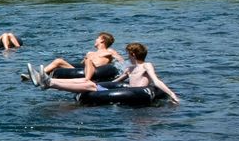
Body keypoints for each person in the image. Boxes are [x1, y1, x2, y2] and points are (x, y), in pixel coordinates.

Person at [30, 43, 179, 104]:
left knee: (89, 84)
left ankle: (49, 83)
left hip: (136, 93)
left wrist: (171, 94)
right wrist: (100, 85)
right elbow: (115, 83)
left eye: (128, 53)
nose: (127, 56)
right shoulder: (129, 69)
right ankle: (46, 81)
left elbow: (156, 81)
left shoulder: (146, 65)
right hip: (125, 89)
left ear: (133, 54)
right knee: (89, 83)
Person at [36, 32, 122, 81]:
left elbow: (120, 60)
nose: (95, 40)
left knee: (89, 61)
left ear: (102, 40)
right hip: (84, 70)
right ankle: (38, 75)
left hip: (97, 71)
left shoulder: (109, 51)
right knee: (59, 60)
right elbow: (80, 66)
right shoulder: (90, 53)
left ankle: (41, 77)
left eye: (97, 38)